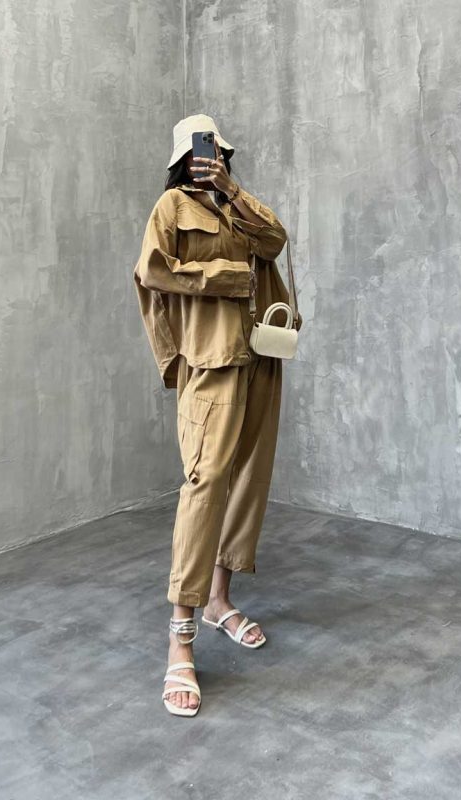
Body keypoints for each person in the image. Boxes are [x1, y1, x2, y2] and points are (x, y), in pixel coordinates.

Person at [133, 113, 302, 717]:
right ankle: (180, 640)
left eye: (218, 152)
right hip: (211, 362)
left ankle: (218, 601)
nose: (209, 159)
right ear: (183, 158)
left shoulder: (237, 204)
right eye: (200, 152)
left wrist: (233, 191)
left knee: (247, 480)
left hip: (261, 356)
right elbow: (151, 274)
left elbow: (275, 241)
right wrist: (223, 280)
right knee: (204, 484)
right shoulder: (171, 208)